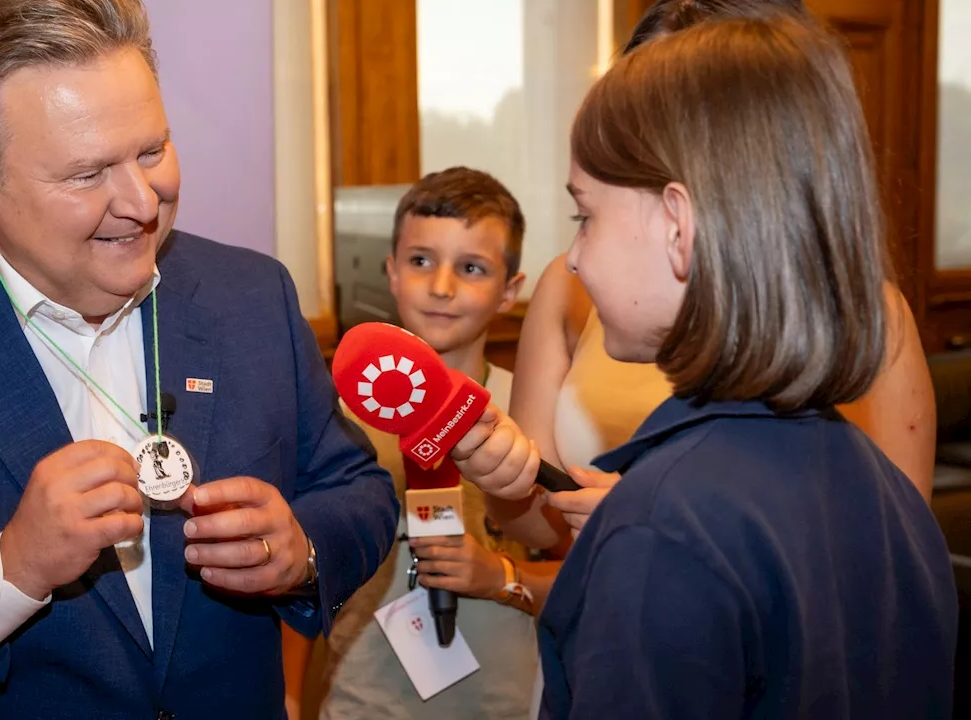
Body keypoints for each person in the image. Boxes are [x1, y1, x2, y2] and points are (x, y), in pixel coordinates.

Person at [0, 1, 409, 717]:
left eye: (152, 151)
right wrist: (10, 571)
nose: (142, 202)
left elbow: (356, 488)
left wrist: (299, 550)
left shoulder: (251, 295)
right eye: (89, 174)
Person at [465, 12, 957, 717]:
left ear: (679, 229)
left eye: (586, 216)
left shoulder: (660, 530)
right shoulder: (884, 496)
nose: (572, 257)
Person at [501, 0, 937, 553]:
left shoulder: (868, 322)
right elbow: (535, 529)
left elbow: (893, 561)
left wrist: (660, 525)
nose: (576, 254)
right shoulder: (571, 286)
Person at [283, 168, 557, 719]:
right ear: (391, 272)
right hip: (364, 703)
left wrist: (500, 577)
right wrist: (286, 696)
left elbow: (584, 575)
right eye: (421, 261)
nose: (442, 286)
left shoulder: (529, 414)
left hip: (505, 704)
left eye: (472, 267)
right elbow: (300, 574)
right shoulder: (330, 417)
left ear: (510, 291)